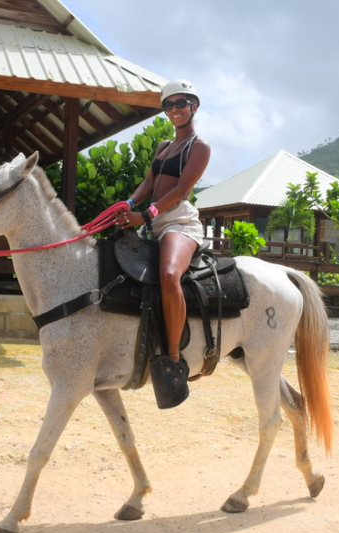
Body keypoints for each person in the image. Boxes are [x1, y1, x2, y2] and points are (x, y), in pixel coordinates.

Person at [118, 79, 211, 399]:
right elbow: (149, 183)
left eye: (180, 103)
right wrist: (128, 204)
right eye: (168, 105)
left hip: (179, 223)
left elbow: (182, 190)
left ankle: (173, 357)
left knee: (170, 275)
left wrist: (145, 215)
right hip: (155, 223)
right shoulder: (162, 148)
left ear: (193, 106)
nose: (174, 110)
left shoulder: (199, 147)